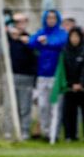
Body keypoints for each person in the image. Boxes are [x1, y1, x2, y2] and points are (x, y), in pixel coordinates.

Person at [29, 9, 68, 140]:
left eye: (53, 18)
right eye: (48, 18)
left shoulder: (61, 33)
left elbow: (59, 41)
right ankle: (45, 132)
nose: (51, 20)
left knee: (55, 106)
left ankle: (54, 134)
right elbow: (31, 41)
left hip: (55, 75)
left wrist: (47, 42)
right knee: (42, 105)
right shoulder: (41, 32)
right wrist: (41, 40)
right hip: (42, 75)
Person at [5, 12, 37, 140]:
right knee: (9, 107)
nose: (20, 25)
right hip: (10, 76)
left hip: (26, 77)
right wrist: (10, 27)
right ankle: (8, 132)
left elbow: (34, 57)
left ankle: (24, 132)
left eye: (22, 22)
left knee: (25, 107)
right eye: (17, 22)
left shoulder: (29, 39)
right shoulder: (7, 39)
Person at [61, 27, 84, 142]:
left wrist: (81, 84)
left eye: (76, 36)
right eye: (72, 36)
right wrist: (70, 84)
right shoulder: (65, 51)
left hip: (82, 88)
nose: (74, 39)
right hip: (69, 87)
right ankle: (69, 135)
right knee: (69, 112)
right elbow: (64, 70)